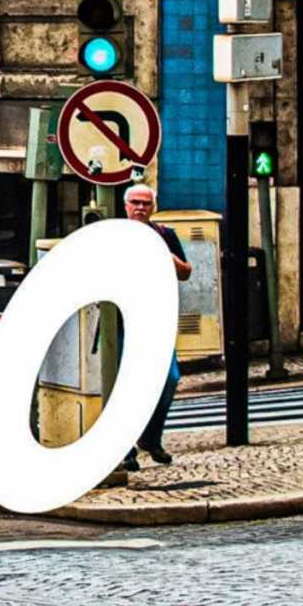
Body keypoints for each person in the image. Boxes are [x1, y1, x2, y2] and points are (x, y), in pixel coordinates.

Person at [122, 184, 192, 465]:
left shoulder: (165, 235)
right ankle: (124, 448)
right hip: (121, 321)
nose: (140, 208)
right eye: (135, 202)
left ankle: (151, 437)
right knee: (123, 386)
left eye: (145, 203)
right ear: (126, 205)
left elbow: (186, 272)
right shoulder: (115, 234)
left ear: (153, 207)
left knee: (169, 379)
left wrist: (167, 256)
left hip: (156, 321)